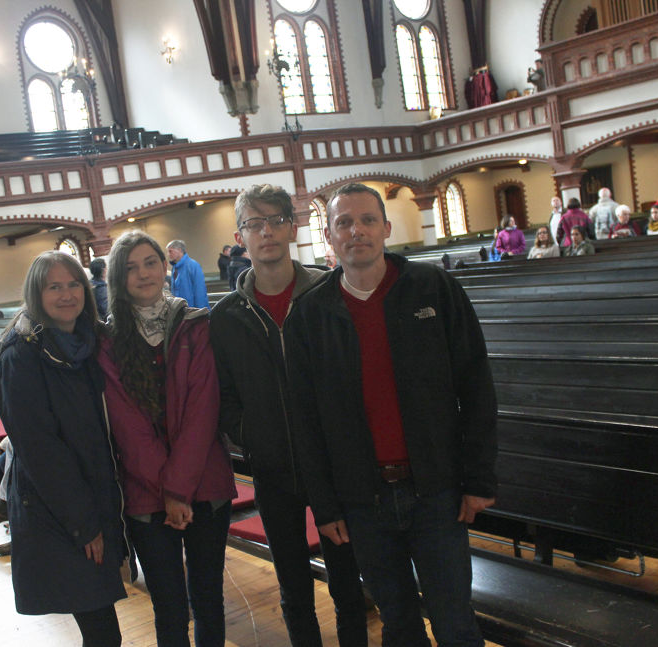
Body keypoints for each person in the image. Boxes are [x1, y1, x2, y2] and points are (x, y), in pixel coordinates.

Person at [286, 183, 497, 647]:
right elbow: (306, 421)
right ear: (329, 235)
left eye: (367, 220)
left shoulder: (434, 288)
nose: (356, 231)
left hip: (436, 489)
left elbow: (476, 386)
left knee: (455, 623)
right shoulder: (310, 314)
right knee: (398, 626)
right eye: (344, 223)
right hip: (363, 500)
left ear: (385, 228)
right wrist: (325, 505)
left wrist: (479, 479)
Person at [210, 184, 367, 647]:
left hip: (335, 466)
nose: (267, 232)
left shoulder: (330, 293)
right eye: (254, 224)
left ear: (293, 227)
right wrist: (252, 435)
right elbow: (224, 394)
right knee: (293, 587)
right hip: (273, 467)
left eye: (276, 220)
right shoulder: (228, 316)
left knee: (347, 583)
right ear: (240, 237)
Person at [99, 231, 236, 647]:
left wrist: (178, 490)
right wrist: (170, 493)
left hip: (205, 483)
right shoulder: (108, 341)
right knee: (169, 606)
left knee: (208, 599)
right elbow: (129, 428)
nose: (143, 274)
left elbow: (202, 411)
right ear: (118, 279)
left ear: (165, 267)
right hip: (146, 494)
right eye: (130, 268)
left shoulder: (196, 325)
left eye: (150, 263)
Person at [0, 250, 129, 645]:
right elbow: (41, 453)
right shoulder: (22, 355)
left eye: (73, 285)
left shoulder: (86, 343)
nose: (67, 295)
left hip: (92, 499)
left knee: (101, 629)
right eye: (54, 287)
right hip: (59, 512)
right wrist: (84, 525)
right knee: (103, 633)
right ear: (36, 294)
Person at [166, 240, 209, 308]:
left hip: (192, 309)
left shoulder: (193, 266)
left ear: (179, 250)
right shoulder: (174, 268)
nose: (168, 254)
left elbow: (200, 291)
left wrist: (200, 311)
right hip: (180, 309)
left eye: (170, 251)